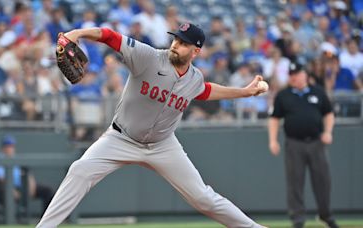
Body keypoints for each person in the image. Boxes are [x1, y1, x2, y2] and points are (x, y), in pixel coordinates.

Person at [36, 23, 268, 228]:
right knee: (79, 170)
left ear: (196, 51)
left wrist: (245, 92)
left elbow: (206, 90)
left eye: (184, 43)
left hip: (162, 146)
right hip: (121, 138)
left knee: (203, 198)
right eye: (176, 39)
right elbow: (108, 35)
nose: (176, 44)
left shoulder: (194, 79)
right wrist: (76, 33)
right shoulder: (148, 57)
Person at [268, 62, 338, 228]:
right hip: (294, 143)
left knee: (323, 181)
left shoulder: (317, 92)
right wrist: (273, 140)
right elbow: (274, 118)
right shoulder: (284, 95)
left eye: (297, 73)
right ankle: (298, 219)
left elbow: (328, 113)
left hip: (316, 142)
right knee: (295, 183)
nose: (294, 77)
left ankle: (325, 214)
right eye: (291, 74)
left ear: (305, 75)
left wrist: (328, 132)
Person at [0, 135, 53, 214]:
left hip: (23, 187)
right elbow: (0, 178)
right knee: (7, 193)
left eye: (12, 146)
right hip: (9, 189)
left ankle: (45, 219)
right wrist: (11, 190)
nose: (10, 149)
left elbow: (27, 172)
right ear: (3, 148)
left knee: (47, 191)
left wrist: (32, 186)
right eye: (8, 146)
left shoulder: (15, 158)